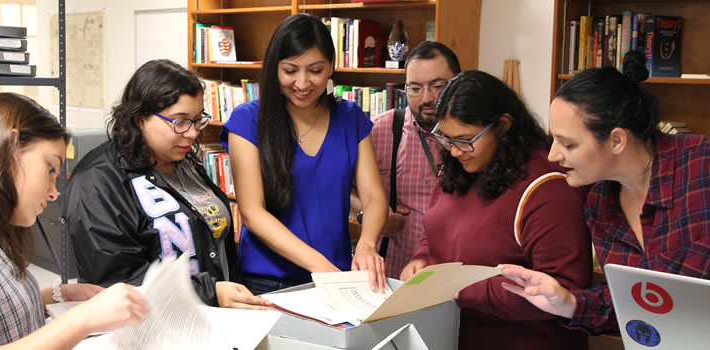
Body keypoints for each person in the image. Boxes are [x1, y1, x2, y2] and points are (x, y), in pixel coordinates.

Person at [501, 52, 710, 335]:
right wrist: (568, 303)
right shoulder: (600, 204)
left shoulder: (707, 168)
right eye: (554, 140)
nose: (553, 155)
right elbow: (631, 307)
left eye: (568, 144)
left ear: (616, 140)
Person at [0, 93, 149, 349]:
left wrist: (57, 295)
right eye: (50, 169)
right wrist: (85, 318)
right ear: (10, 147)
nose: (53, 192)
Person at [399, 71, 592, 350]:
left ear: (503, 125)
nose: (455, 151)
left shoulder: (548, 189)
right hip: (452, 333)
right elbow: (438, 225)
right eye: (447, 139)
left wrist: (458, 288)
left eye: (465, 140)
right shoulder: (460, 165)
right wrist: (423, 256)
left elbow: (562, 293)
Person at [64, 59, 269, 310]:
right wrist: (210, 293)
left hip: (211, 320)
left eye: (197, 120)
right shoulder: (97, 181)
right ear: (139, 118)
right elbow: (116, 282)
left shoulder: (183, 161)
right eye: (179, 121)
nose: (192, 133)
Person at [220, 14, 389, 295]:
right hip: (268, 280)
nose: (302, 83)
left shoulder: (350, 118)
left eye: (315, 70)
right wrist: (321, 266)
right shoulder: (247, 120)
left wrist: (367, 244)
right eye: (290, 70)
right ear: (275, 67)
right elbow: (252, 212)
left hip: (336, 273)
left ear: (331, 67)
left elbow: (374, 197)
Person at [350, 41, 461, 279]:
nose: (426, 98)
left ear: (458, 83)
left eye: (437, 86)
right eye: (414, 88)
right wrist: (368, 213)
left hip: (454, 277)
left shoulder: (476, 137)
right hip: (390, 277)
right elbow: (343, 191)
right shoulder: (381, 130)